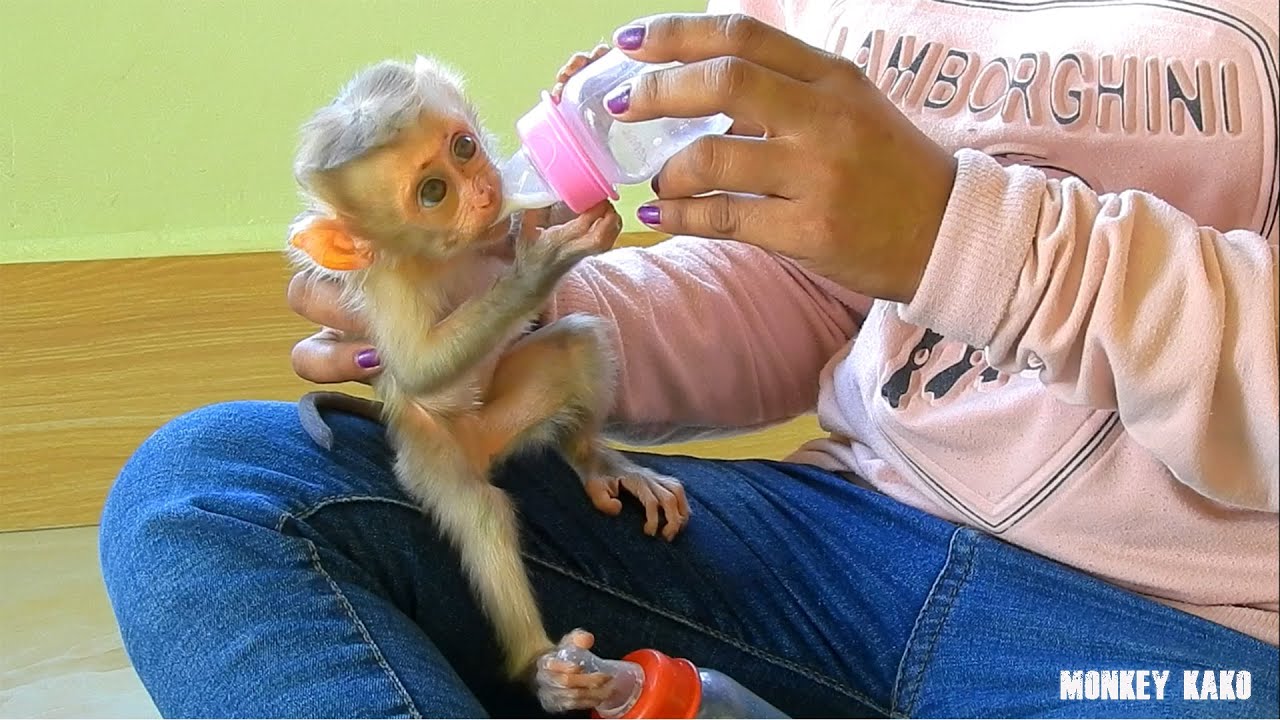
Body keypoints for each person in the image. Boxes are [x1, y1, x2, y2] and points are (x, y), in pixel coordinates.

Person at [100, 2, 1279, 717]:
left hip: (1191, 645)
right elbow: (812, 292)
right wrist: (515, 327)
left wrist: (950, 229)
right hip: (847, 543)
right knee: (212, 494)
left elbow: (925, 244)